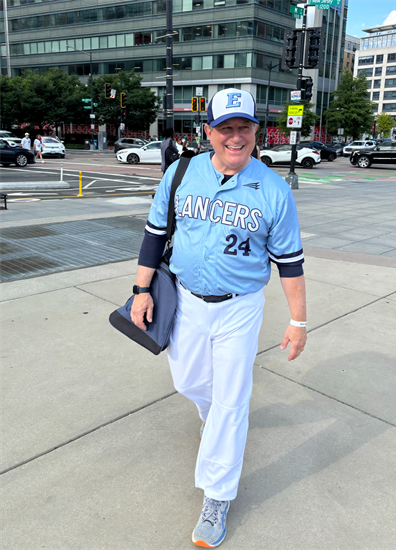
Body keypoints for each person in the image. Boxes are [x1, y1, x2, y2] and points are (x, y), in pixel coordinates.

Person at [131, 88, 307, 548]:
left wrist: (298, 321)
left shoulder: (274, 189)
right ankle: (216, 425)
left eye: (243, 127)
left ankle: (217, 495)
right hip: (185, 299)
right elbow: (154, 235)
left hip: (239, 306)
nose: (235, 136)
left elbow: (290, 262)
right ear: (208, 131)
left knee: (231, 400)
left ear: (256, 132)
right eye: (225, 127)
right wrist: (140, 290)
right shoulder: (181, 171)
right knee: (189, 383)